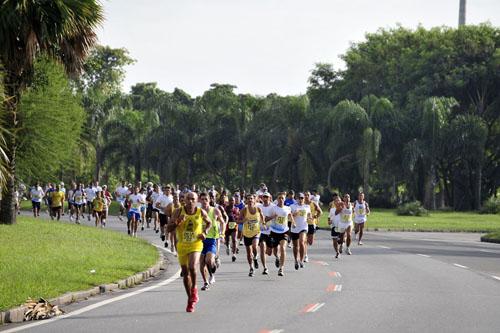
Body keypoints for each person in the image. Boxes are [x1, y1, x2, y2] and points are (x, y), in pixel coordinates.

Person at [168, 191, 211, 312]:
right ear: (184, 200)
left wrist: (205, 232)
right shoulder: (177, 212)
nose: (191, 201)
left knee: (192, 266)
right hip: (182, 245)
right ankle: (190, 299)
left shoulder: (200, 211)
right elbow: (168, 228)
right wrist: (177, 222)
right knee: (185, 273)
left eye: (193, 199)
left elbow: (209, 223)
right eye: (188, 199)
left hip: (196, 244)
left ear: (196, 200)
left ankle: (195, 288)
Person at [199, 192, 224, 290]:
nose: (204, 201)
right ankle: (205, 283)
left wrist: (222, 234)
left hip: (212, 239)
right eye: (202, 199)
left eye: (206, 199)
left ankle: (213, 269)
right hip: (200, 240)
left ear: (210, 200)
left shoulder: (215, 210)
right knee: (201, 262)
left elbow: (222, 222)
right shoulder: (198, 212)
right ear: (199, 200)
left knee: (208, 260)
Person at [267, 192, 295, 276]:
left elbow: (290, 215)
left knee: (283, 248)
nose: (281, 199)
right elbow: (266, 219)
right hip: (274, 231)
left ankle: (281, 268)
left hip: (284, 231)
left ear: (285, 199)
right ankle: (277, 257)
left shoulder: (288, 208)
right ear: (277, 199)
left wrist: (293, 222)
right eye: (279, 198)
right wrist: (273, 217)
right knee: (274, 251)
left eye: (282, 198)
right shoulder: (273, 208)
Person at [238, 194, 264, 277]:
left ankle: (255, 257)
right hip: (246, 233)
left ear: (254, 200)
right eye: (248, 199)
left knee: (254, 246)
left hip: (256, 231)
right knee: (249, 253)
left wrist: (263, 223)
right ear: (246, 201)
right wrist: (243, 220)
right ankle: (251, 268)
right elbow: (237, 220)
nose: (250, 200)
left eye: (251, 199)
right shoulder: (244, 210)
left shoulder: (258, 208)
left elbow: (262, 216)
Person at [290, 193, 311, 269]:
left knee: (302, 242)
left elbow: (309, 215)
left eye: (302, 198)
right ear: (296, 199)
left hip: (303, 227)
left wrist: (310, 218)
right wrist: (294, 214)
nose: (301, 199)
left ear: (304, 199)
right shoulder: (292, 206)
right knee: (295, 246)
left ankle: (301, 260)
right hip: (295, 228)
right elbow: (289, 216)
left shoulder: (307, 207)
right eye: (299, 198)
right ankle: (296, 260)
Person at [257, 192, 274, 275]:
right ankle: (265, 267)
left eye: (267, 197)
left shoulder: (273, 207)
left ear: (270, 198)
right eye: (264, 197)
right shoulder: (259, 207)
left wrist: (268, 218)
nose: (265, 198)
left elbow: (278, 215)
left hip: (271, 231)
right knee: (262, 248)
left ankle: (277, 257)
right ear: (262, 198)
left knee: (269, 252)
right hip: (261, 231)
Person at [304, 191, 322, 262]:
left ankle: (305, 247)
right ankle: (305, 255)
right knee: (304, 240)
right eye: (305, 195)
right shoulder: (301, 204)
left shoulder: (313, 203)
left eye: (307, 195)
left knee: (310, 242)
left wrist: (315, 216)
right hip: (304, 224)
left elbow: (320, 212)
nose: (306, 196)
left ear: (310, 196)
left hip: (311, 224)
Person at [224, 197, 240, 262]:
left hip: (234, 225)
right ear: (228, 201)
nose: (232, 202)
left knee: (234, 240)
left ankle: (234, 254)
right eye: (230, 200)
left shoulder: (236, 208)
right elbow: (223, 215)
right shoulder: (226, 208)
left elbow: (238, 216)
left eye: (233, 200)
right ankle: (228, 246)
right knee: (227, 240)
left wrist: (237, 218)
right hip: (227, 225)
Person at [328, 193, 342, 258]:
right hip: (334, 226)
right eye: (336, 201)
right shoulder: (332, 209)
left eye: (339, 201)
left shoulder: (343, 209)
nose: (337, 202)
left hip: (341, 226)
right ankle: (337, 252)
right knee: (334, 241)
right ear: (334, 202)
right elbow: (329, 217)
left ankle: (342, 245)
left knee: (341, 239)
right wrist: (329, 221)